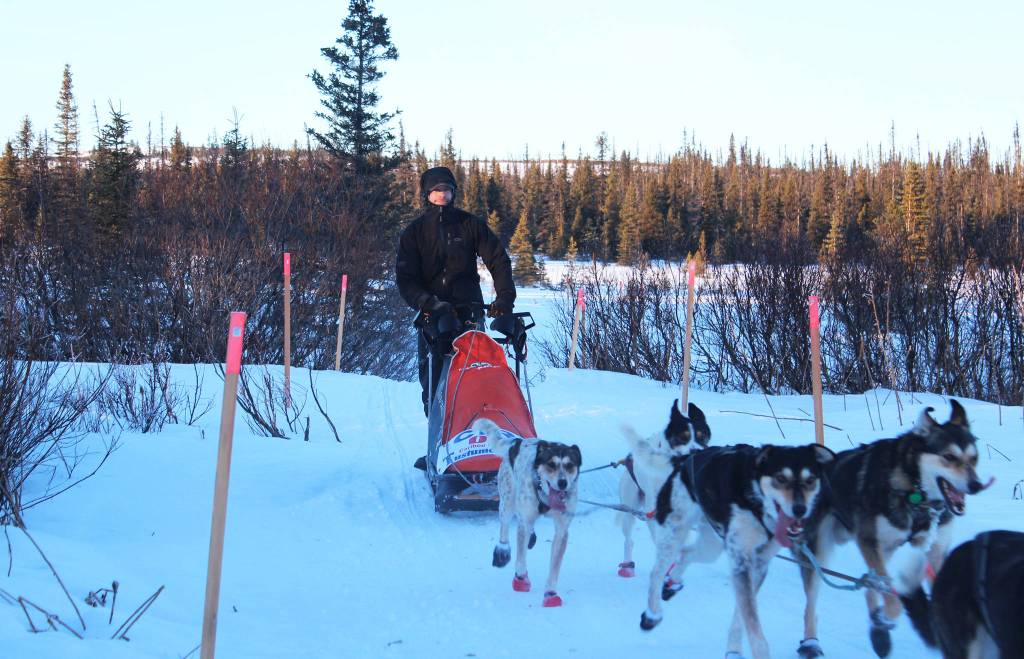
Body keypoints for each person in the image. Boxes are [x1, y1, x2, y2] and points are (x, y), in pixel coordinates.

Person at [396, 166, 516, 416]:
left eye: (446, 189)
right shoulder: (414, 232)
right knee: (433, 385)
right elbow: (406, 279)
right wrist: (427, 303)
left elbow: (498, 260)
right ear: (427, 194)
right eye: (436, 190)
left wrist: (504, 299)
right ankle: (437, 442)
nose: (441, 194)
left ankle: (473, 438)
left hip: (469, 314)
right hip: (432, 317)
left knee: (475, 380)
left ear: (453, 192)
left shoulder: (469, 224)